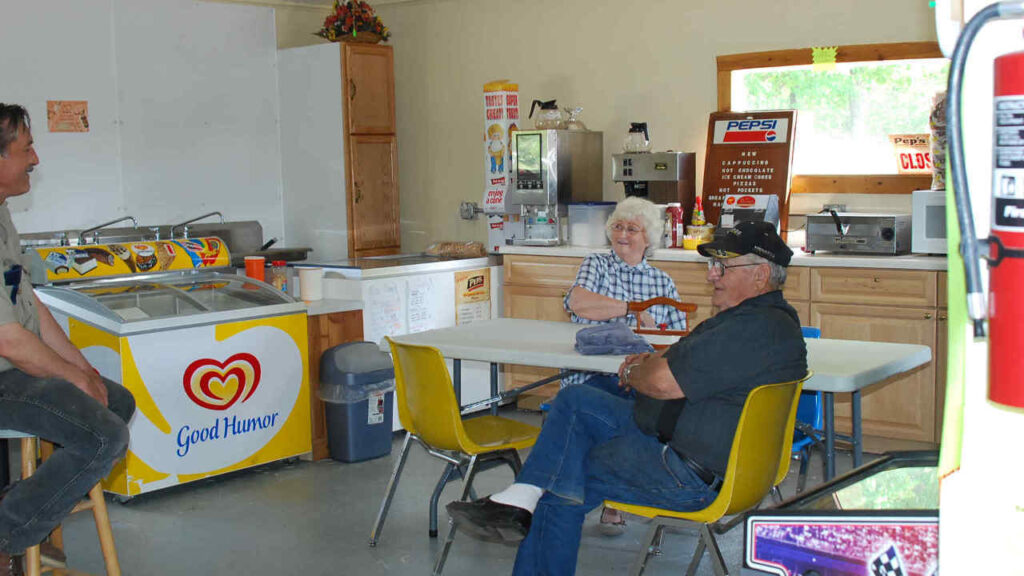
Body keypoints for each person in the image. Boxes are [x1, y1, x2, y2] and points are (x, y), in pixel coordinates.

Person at [447, 221, 808, 575]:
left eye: (722, 266)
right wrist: (649, 369)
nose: (712, 275)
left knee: (563, 469)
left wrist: (636, 372)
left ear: (760, 274)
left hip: (686, 475)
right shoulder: (769, 323)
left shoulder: (747, 330)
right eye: (713, 265)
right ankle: (523, 494)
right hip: (715, 461)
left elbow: (665, 382)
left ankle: (525, 493)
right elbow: (671, 362)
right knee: (580, 400)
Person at [0, 104, 135, 576]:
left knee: (115, 400)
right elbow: (11, 342)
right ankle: (8, 535)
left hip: (10, 369)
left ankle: (35, 521)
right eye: (26, 149)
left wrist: (84, 370)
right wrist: (73, 379)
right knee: (105, 435)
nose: (35, 159)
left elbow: (28, 304)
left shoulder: (2, 215)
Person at [561, 196, 687, 534]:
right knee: (601, 410)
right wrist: (631, 308)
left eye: (633, 228)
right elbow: (579, 303)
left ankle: (618, 496)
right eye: (618, 226)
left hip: (640, 377)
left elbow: (677, 337)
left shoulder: (663, 281)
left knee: (652, 409)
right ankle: (579, 498)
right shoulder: (596, 265)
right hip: (591, 372)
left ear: (649, 239)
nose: (624, 234)